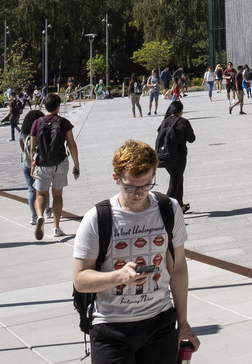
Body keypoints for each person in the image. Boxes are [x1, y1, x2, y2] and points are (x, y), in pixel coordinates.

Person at [72, 140, 201, 363]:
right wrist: (119, 277)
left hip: (160, 322)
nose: (139, 193)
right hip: (111, 328)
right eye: (130, 186)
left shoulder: (168, 209)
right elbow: (80, 280)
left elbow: (178, 267)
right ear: (116, 178)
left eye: (146, 185)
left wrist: (183, 321)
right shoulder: (98, 218)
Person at [29, 93, 80, 240]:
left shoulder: (37, 123)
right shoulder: (64, 123)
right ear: (58, 106)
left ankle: (40, 216)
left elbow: (33, 148)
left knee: (41, 194)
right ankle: (56, 227)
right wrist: (76, 164)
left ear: (45, 106)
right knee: (57, 195)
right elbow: (72, 144)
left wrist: (33, 164)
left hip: (42, 163)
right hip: (60, 162)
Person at [155, 101, 196, 213]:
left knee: (178, 178)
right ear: (180, 111)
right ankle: (162, 209)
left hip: (165, 156)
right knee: (175, 181)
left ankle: (180, 206)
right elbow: (191, 139)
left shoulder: (164, 121)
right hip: (179, 157)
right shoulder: (183, 122)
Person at [19, 108, 49, 227]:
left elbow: (22, 147)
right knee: (44, 188)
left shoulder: (23, 132)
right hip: (41, 163)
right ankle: (47, 210)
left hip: (27, 163)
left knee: (31, 190)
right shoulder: (42, 130)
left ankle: (33, 216)